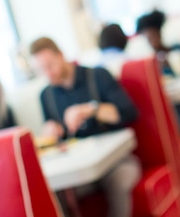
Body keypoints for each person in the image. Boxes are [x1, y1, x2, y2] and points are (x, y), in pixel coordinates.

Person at [29, 37, 140, 217]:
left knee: (119, 180)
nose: (48, 73)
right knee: (55, 192)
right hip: (80, 169)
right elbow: (55, 140)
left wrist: (91, 109)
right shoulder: (46, 95)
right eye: (41, 70)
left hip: (116, 160)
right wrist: (52, 132)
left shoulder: (98, 76)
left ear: (61, 55)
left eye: (50, 65)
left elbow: (129, 113)